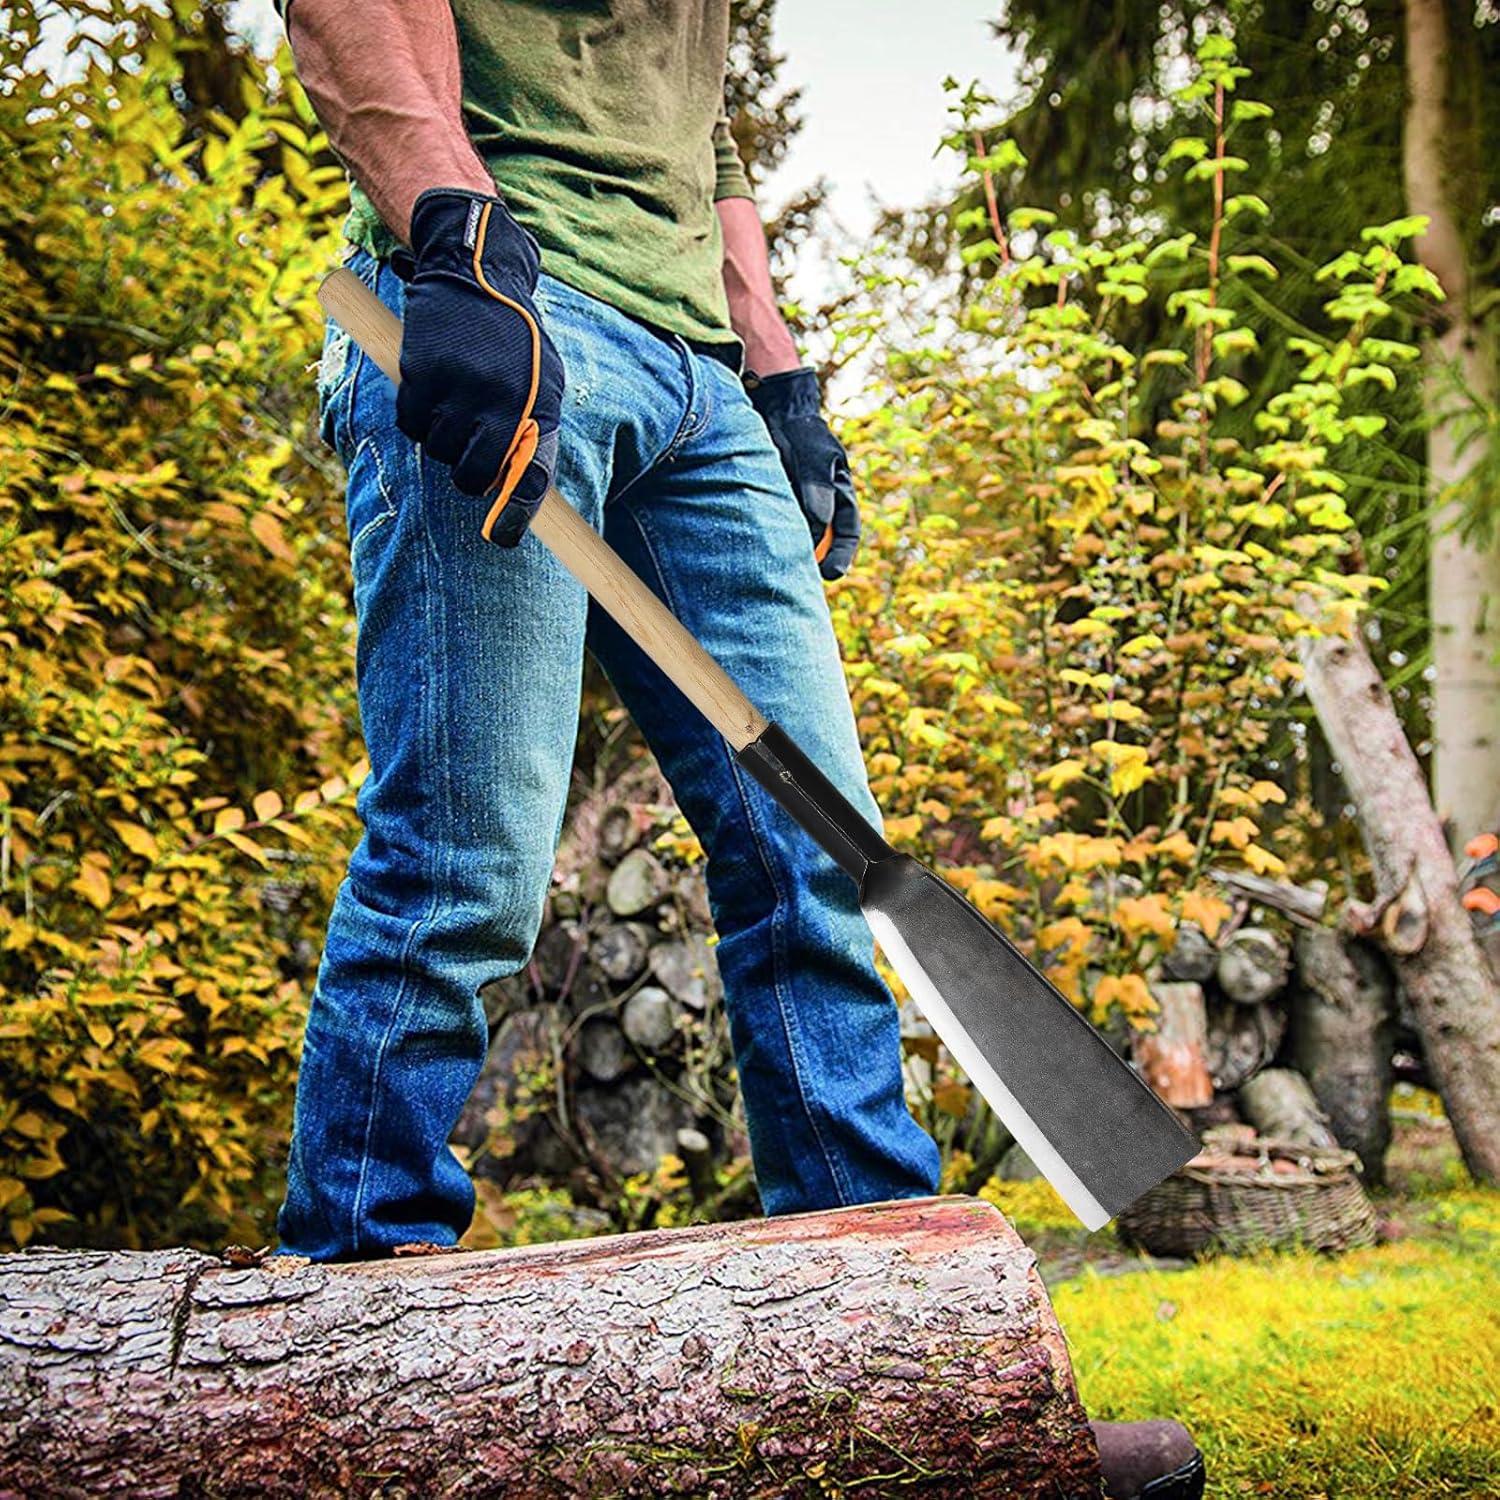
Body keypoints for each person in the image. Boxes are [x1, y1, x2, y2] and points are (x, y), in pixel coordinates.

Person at [274, 4, 1205, 1496]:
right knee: (467, 871)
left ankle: (901, 1372)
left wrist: (776, 371)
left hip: (698, 377)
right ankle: (333, 1386)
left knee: (821, 863)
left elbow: (697, 126)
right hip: (513, 311)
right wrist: (450, 243)